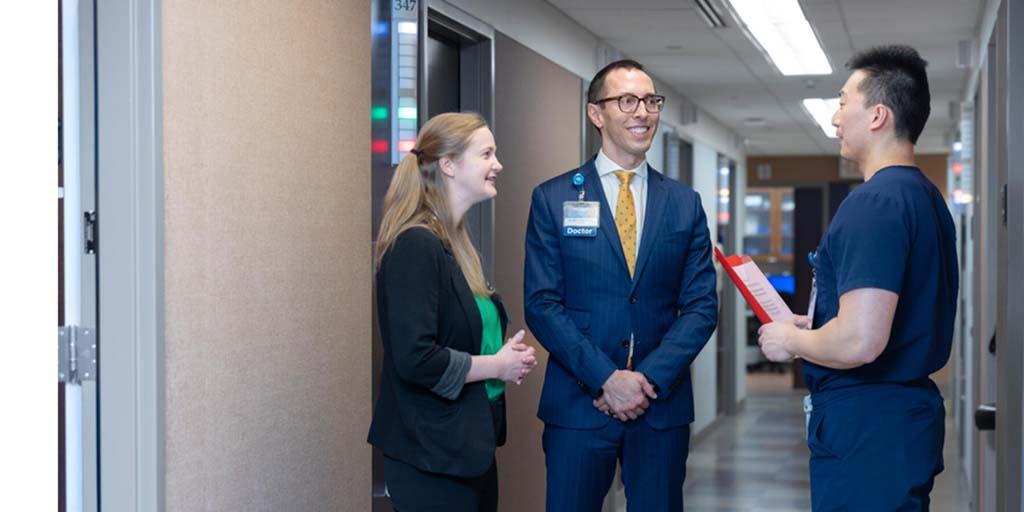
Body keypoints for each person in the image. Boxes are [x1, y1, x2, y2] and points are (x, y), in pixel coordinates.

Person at [758, 45, 958, 510]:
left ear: (877, 116)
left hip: (870, 425)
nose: (835, 119)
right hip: (900, 422)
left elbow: (860, 342)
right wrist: (820, 324)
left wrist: (790, 341)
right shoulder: (924, 197)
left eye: (844, 102)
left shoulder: (874, 203)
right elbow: (888, 313)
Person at [524, 59, 718, 511]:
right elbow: (542, 304)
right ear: (597, 113)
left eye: (651, 101)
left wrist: (646, 380)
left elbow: (701, 306)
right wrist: (605, 379)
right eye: (627, 101)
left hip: (660, 409)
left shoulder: (684, 204)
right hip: (578, 405)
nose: (643, 112)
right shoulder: (554, 198)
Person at [368, 112, 538, 511]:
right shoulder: (416, 244)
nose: (498, 165)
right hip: (429, 455)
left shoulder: (454, 244)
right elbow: (415, 358)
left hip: (465, 448)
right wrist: (496, 366)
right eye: (486, 154)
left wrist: (504, 355)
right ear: (448, 164)